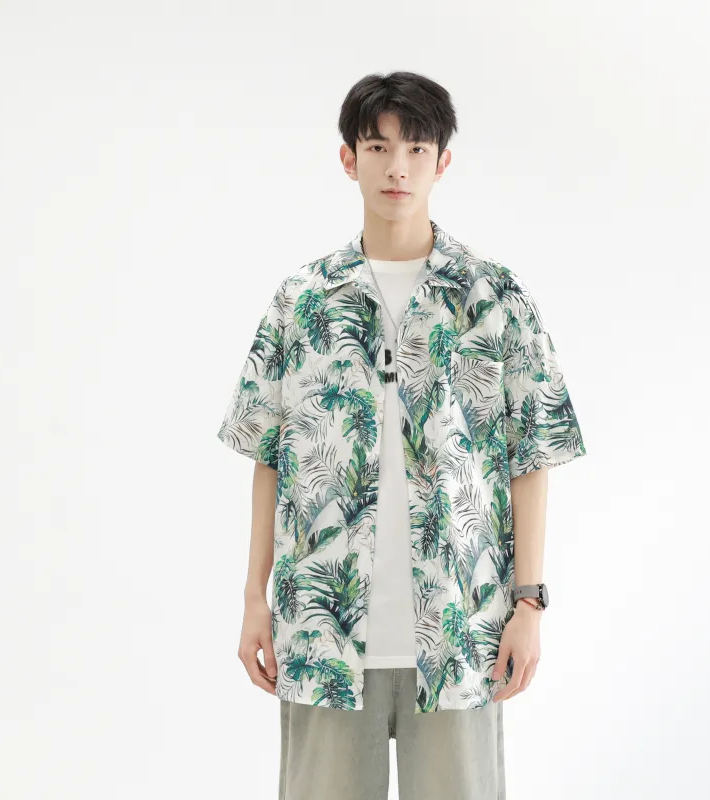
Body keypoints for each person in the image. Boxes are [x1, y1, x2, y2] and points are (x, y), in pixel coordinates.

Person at [217, 70, 586, 800]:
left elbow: (533, 456)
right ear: (348, 158)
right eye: (379, 147)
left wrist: (529, 603)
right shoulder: (302, 300)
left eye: (416, 149)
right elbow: (268, 456)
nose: (397, 168)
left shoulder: (492, 297)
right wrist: (255, 599)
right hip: (322, 632)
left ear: (443, 161)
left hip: (461, 631)